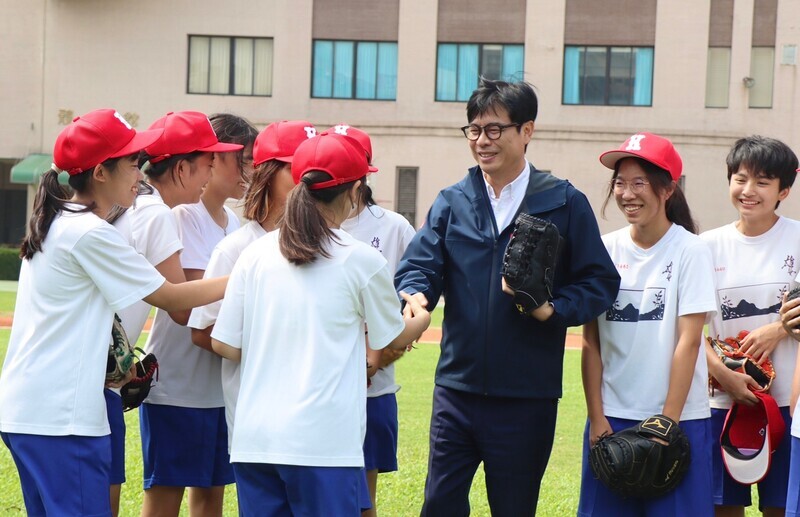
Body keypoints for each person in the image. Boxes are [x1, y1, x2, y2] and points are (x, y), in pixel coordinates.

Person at [394, 78, 620, 516]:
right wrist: (416, 294)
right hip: (455, 392)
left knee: (514, 508)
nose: (482, 141)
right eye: (475, 130)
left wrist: (552, 309)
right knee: (439, 504)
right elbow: (420, 264)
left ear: (527, 131)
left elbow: (599, 282)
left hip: (526, 397)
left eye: (495, 129)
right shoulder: (452, 201)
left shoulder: (562, 202)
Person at [0, 109, 228, 516]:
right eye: (130, 162)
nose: (140, 172)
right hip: (62, 417)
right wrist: (250, 274)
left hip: (31, 412)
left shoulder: (59, 220)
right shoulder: (90, 233)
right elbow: (171, 297)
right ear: (101, 173)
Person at [210, 132, 430, 516]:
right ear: (356, 189)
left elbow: (225, 344)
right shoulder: (361, 259)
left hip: (255, 439)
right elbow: (390, 337)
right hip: (323, 444)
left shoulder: (255, 254)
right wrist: (420, 317)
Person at [579, 132, 717, 516]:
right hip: (612, 420)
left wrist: (667, 424)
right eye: (620, 183)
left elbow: (689, 342)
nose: (627, 193)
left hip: (678, 419)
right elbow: (592, 341)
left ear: (667, 189)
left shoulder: (691, 250)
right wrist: (596, 416)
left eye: (639, 182)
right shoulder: (604, 249)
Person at [135, 111, 249, 517]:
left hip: (217, 387)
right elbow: (183, 304)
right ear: (208, 162)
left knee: (211, 496)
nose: (247, 171)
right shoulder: (176, 214)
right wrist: (246, 280)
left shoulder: (234, 223)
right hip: (176, 387)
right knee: (165, 495)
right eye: (240, 158)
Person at [188, 119, 316, 449]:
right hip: (257, 421)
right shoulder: (235, 249)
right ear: (267, 173)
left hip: (317, 421)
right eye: (295, 168)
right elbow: (202, 330)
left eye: (314, 169)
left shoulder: (330, 248)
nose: (307, 180)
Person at [701, 136, 799, 517]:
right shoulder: (706, 246)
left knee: (780, 508)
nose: (748, 190)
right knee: (724, 509)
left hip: (788, 404)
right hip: (724, 403)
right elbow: (692, 331)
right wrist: (723, 376)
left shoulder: (797, 237)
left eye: (762, 182)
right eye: (740, 179)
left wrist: (780, 329)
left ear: (783, 190)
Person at [327, 124, 417, 517]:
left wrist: (388, 346)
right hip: (325, 384)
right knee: (324, 492)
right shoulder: (304, 225)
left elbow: (412, 288)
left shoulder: (393, 226)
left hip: (374, 389)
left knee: (364, 498)